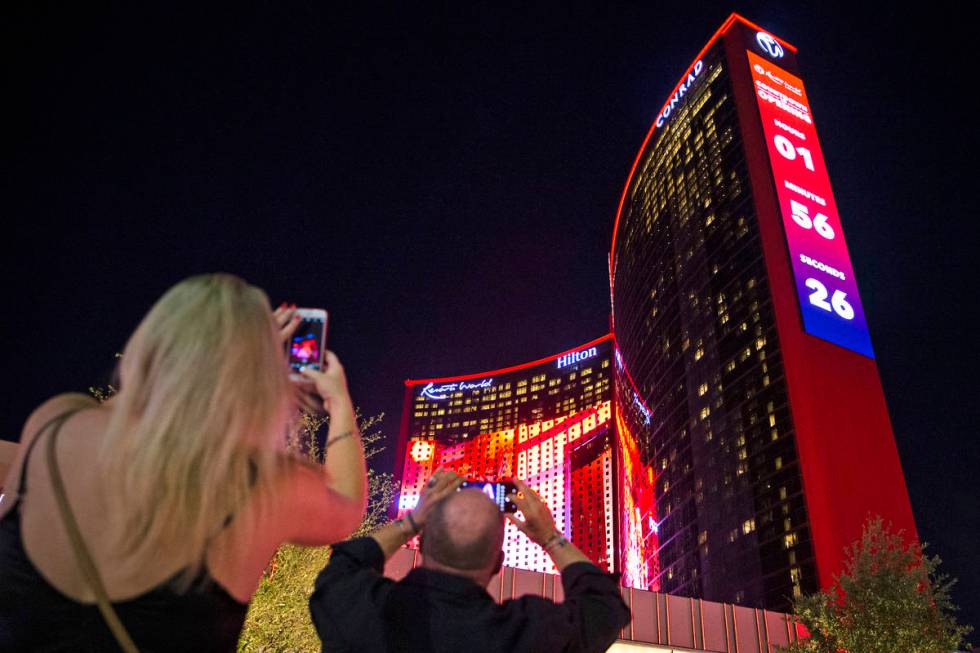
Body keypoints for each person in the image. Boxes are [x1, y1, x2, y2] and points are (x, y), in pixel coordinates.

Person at [0, 273, 368, 651]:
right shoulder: (258, 483)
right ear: (258, 375)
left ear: (150, 343)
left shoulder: (54, 425)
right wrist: (336, 401)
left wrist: (224, 366)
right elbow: (347, 507)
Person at [310, 470, 631, 653]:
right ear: (497, 564)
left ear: (420, 543)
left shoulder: (360, 612)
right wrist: (550, 537)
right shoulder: (526, 637)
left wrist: (412, 520)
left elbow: (346, 561)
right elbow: (603, 607)